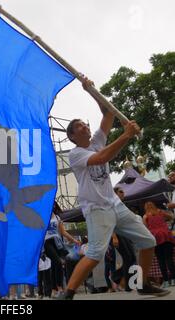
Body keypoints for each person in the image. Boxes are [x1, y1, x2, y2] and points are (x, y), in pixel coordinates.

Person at [62, 76, 169, 299]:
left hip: (114, 204)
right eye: (80, 126)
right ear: (72, 136)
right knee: (95, 253)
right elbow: (102, 158)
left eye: (85, 123)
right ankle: (67, 294)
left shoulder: (96, 141)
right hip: (96, 208)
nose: (85, 126)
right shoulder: (76, 154)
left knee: (148, 241)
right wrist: (126, 135)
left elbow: (108, 113)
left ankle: (142, 283)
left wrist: (90, 89)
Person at [44, 210, 80, 298]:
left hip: (57, 243)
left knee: (54, 264)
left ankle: (53, 290)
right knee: (58, 262)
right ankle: (59, 288)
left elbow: (63, 232)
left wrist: (74, 240)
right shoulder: (42, 215)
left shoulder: (57, 217)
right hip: (46, 242)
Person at [143, 201, 175, 287]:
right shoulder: (160, 212)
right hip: (166, 235)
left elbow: (145, 229)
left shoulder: (145, 216)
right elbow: (172, 217)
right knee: (169, 258)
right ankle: (173, 279)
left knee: (161, 260)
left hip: (155, 238)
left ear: (145, 208)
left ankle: (165, 281)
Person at [112, 187, 137, 291]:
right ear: (115, 193)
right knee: (127, 257)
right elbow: (110, 221)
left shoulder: (122, 205)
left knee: (132, 257)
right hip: (117, 234)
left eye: (123, 191)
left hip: (125, 234)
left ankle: (116, 276)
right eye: (121, 192)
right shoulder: (112, 204)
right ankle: (128, 285)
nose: (123, 193)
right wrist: (114, 237)